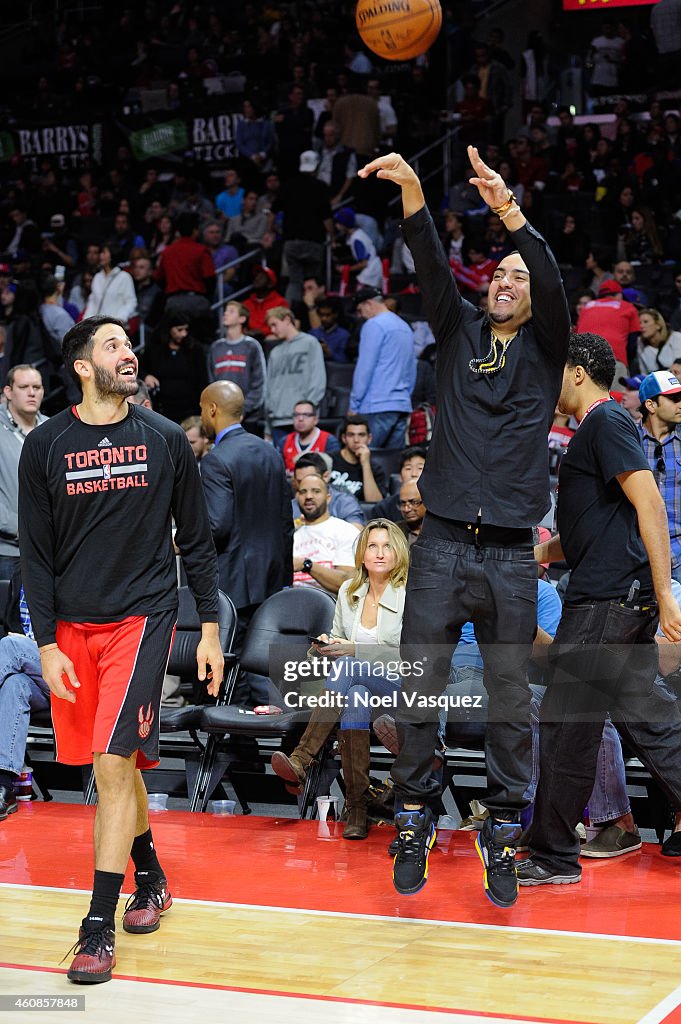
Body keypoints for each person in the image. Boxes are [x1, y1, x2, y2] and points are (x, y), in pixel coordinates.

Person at [357, 147, 570, 905]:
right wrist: (414, 193)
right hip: (442, 544)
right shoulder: (455, 334)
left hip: (512, 553)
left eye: (517, 276)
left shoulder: (549, 348)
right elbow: (430, 268)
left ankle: (503, 829)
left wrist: (511, 212)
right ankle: (413, 812)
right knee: (421, 688)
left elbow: (550, 278)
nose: (508, 283)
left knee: (511, 701)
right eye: (499, 275)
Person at [18, 315, 223, 984]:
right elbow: (37, 557)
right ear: (83, 366)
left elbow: (195, 540)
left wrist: (212, 631)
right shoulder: (45, 445)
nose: (128, 353)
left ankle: (97, 927)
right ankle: (155, 878)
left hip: (142, 618)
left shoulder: (164, 439)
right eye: (112, 346)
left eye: (130, 344)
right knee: (113, 767)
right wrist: (46, 641)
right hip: (73, 628)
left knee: (110, 765)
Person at [518, 332, 681, 889]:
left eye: (555, 369)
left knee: (567, 727)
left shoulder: (606, 422)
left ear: (579, 371)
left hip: (607, 601)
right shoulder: (599, 426)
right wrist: (540, 553)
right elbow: (592, 526)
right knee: (650, 721)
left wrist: (665, 597)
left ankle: (554, 854)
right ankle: (553, 846)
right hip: (614, 596)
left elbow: (651, 504)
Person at [272, 519, 409, 838]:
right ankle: (358, 809)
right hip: (359, 688)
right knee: (356, 697)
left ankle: (302, 758)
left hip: (400, 688)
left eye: (386, 546)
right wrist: (324, 648)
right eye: (372, 546)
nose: (379, 553)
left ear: (398, 552)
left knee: (350, 670)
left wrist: (353, 650)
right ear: (361, 554)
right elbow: (338, 640)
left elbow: (410, 653)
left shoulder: (408, 592)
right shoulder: (349, 591)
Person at [199, 381, 293, 646]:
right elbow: (286, 522)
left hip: (233, 585)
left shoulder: (216, 459)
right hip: (272, 580)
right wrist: (284, 579)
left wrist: (186, 538)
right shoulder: (271, 451)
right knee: (262, 665)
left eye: (202, 409)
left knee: (231, 668)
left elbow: (217, 525)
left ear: (213, 409)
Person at [0, 569, 50, 822]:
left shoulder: (72, 570)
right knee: (14, 686)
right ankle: (4, 785)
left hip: (70, 673)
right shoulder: (23, 572)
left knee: (10, 646)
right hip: (33, 678)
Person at [349, 287, 416, 449]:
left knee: (365, 458)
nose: (361, 315)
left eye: (360, 310)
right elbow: (412, 369)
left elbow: (365, 367)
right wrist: (406, 397)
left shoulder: (374, 325)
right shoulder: (405, 326)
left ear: (368, 304)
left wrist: (354, 404)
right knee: (391, 462)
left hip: (376, 405)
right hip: (401, 404)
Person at [0, 365, 48, 580]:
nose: (31, 392)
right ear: (8, 392)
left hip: (50, 550)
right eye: (24, 387)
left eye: (37, 387)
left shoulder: (53, 430)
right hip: (8, 552)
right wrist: (21, 528)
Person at [637, 371, 681, 585]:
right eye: (673, 399)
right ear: (651, 405)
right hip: (639, 555)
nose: (680, 404)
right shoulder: (628, 440)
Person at [264, 307, 326, 449]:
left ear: (287, 320)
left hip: (302, 419)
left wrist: (306, 413)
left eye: (274, 324)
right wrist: (267, 428)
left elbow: (318, 380)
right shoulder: (275, 352)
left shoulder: (310, 343)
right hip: (277, 420)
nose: (272, 330)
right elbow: (269, 388)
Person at [292, 475, 357, 595]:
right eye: (303, 492)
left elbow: (346, 583)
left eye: (316, 491)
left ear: (328, 498)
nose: (308, 496)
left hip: (331, 608)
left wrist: (307, 565)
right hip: (290, 605)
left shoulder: (345, 531)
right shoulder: (291, 536)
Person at [141, 311, 209, 424]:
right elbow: (140, 368)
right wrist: (146, 376)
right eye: (179, 330)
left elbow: (202, 381)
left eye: (186, 330)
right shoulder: (154, 349)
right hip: (161, 410)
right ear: (169, 329)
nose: (184, 334)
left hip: (190, 411)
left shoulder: (195, 350)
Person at [208, 301, 266, 429]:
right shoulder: (216, 347)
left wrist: (243, 409)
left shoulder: (251, 346)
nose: (225, 313)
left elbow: (259, 383)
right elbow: (212, 382)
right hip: (221, 414)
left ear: (242, 318)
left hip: (248, 416)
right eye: (225, 311)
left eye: (231, 311)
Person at [576, 280, 640, 385]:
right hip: (613, 359)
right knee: (615, 398)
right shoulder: (627, 306)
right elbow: (632, 342)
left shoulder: (586, 307)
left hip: (583, 362)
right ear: (619, 295)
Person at [292, 452, 364, 529]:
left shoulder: (344, 501)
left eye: (310, 479)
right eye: (300, 481)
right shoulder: (291, 506)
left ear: (325, 476)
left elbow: (357, 531)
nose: (305, 484)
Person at [330, 416, 387, 503]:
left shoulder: (376, 469)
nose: (356, 440)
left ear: (369, 439)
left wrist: (365, 464)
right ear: (344, 438)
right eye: (351, 435)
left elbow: (374, 504)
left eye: (361, 435)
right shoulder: (329, 460)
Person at [84, 246, 138, 328]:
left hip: (116, 328)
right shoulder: (97, 277)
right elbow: (92, 302)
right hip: (97, 328)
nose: (101, 256)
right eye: (101, 253)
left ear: (113, 255)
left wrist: (119, 319)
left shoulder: (124, 277)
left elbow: (131, 302)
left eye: (104, 253)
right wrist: (86, 321)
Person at [281, 400, 341, 474]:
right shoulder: (285, 441)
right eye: (296, 415)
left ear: (315, 419)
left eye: (306, 415)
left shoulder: (329, 441)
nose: (300, 419)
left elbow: (334, 470)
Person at [372, 446, 427, 523]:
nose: (414, 474)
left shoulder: (439, 505)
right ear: (400, 476)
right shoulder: (384, 509)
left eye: (420, 468)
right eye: (408, 468)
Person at [637, 309, 681, 376]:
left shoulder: (676, 337)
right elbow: (643, 372)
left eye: (645, 322)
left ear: (658, 325)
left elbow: (679, 368)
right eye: (639, 323)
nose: (641, 326)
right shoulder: (640, 342)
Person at [396, 480, 426, 546]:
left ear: (426, 502)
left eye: (414, 502)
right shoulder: (394, 531)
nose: (406, 509)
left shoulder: (441, 531)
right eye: (403, 503)